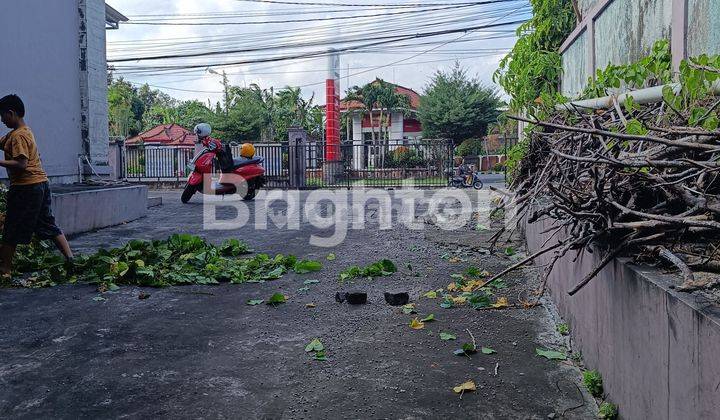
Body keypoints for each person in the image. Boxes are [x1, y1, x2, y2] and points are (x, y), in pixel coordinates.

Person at [0, 94, 73, 276]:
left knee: (11, 227)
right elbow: (3, 144)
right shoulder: (23, 132)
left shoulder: (18, 136)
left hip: (26, 187)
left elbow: (21, 164)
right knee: (47, 223)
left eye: (2, 116)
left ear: (11, 113)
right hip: (41, 184)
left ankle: (5, 270)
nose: (1, 120)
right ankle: (71, 259)